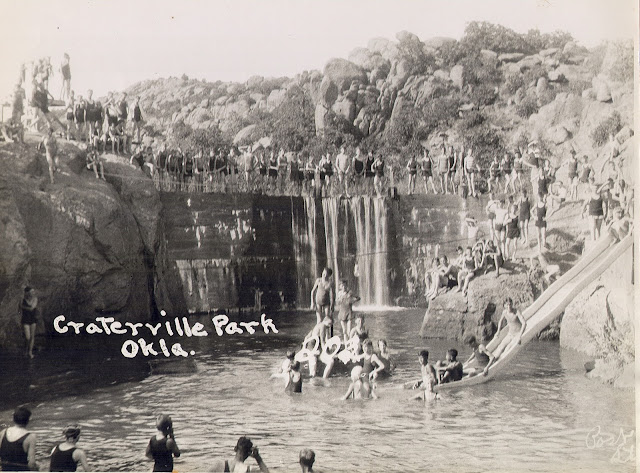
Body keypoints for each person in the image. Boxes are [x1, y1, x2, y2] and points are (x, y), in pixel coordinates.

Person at [0, 406, 37, 471]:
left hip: (5, 469)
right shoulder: (31, 437)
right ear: (28, 420)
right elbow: (32, 463)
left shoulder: (3, 432)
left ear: (13, 419)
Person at [336, 279, 360, 345]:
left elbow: (358, 298)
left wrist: (353, 300)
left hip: (349, 312)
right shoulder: (339, 293)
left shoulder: (350, 292)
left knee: (349, 330)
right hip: (342, 313)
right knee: (344, 331)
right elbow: (337, 302)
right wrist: (339, 300)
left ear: (346, 286)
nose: (343, 287)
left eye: (345, 286)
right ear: (340, 287)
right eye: (342, 286)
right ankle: (346, 344)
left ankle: (350, 343)